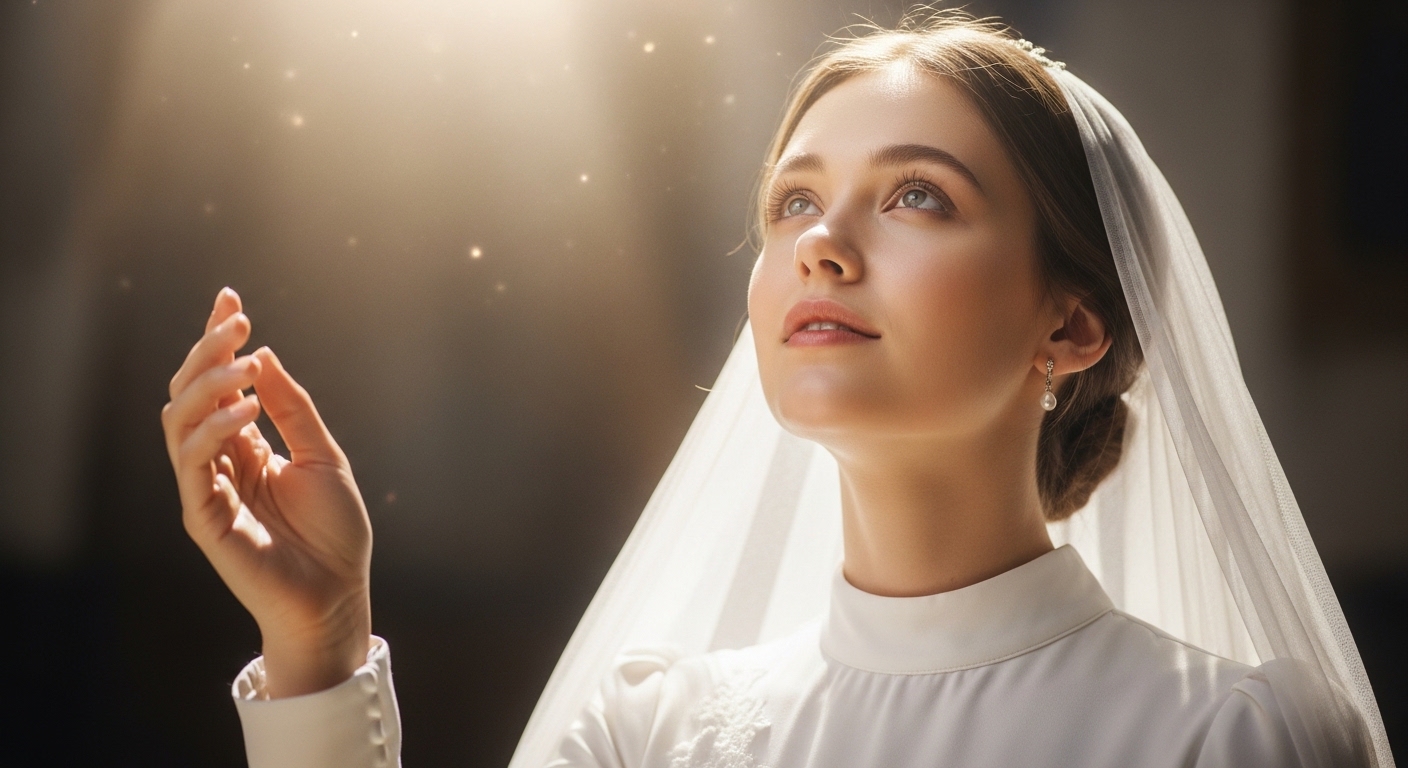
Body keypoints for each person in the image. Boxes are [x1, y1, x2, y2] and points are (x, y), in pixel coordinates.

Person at [159, 12, 1390, 768]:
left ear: (1068, 324)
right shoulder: (652, 732)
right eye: (793, 202)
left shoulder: (1233, 740)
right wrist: (316, 649)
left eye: (918, 195)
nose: (822, 244)